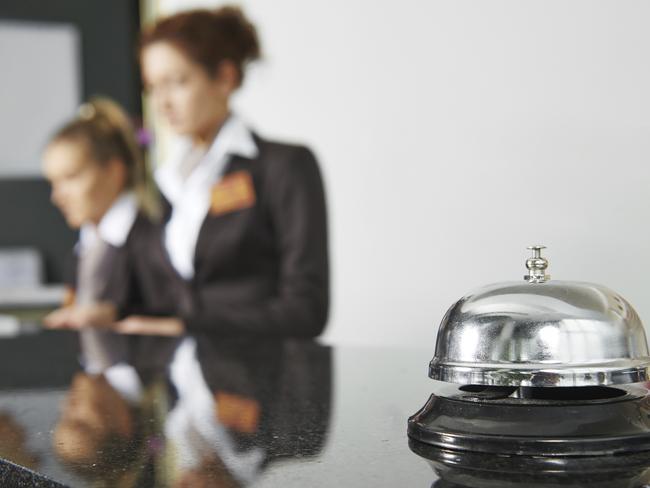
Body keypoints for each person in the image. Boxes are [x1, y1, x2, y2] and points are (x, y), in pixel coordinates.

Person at [115, 6, 329, 338]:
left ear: (225, 79)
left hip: (264, 381)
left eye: (177, 82)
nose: (162, 103)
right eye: (152, 87)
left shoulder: (284, 167)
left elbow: (306, 311)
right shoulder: (167, 182)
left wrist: (186, 327)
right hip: (183, 382)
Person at [41, 97, 158, 369]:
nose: (57, 197)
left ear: (114, 172)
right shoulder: (88, 242)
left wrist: (115, 317)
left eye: (70, 177)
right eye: (53, 182)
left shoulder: (151, 240)